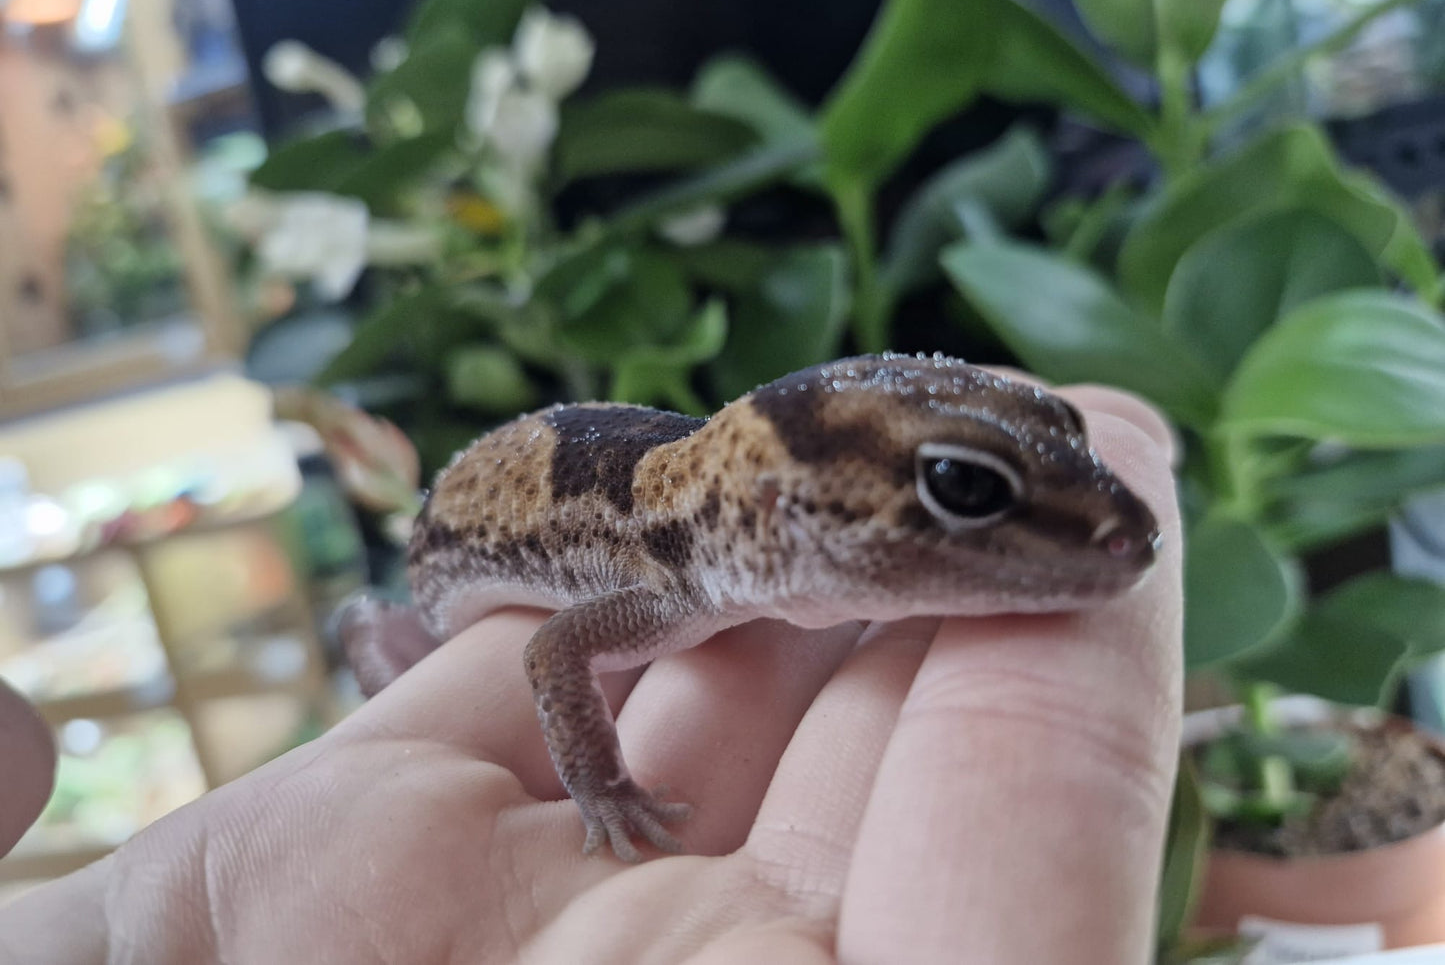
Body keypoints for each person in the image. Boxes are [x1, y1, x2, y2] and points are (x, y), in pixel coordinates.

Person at [0, 381, 1181, 964]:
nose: (1109, 533)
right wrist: (602, 789)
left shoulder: (728, 550)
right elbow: (548, 643)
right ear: (775, 511)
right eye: (964, 495)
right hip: (438, 595)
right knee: (392, 654)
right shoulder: (667, 588)